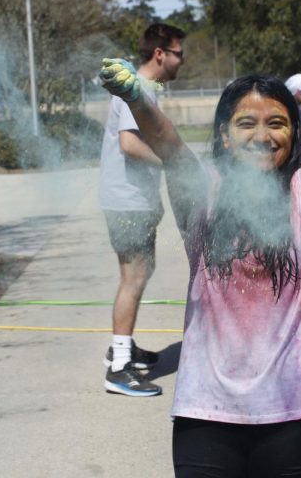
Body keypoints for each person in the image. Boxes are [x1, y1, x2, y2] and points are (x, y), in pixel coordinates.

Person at [98, 4, 301, 477]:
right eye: (246, 124)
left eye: (277, 123)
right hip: (205, 416)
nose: (262, 135)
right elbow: (170, 147)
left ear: (295, 132)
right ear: (225, 135)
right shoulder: (204, 193)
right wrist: (137, 98)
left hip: (296, 416)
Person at [99, 22, 186, 396]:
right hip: (128, 202)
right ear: (160, 54)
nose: (182, 61)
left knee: (138, 273)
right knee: (133, 278)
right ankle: (119, 368)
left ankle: (123, 347)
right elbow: (129, 145)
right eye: (179, 53)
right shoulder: (136, 91)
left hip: (134, 201)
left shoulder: (142, 88)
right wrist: (171, 165)